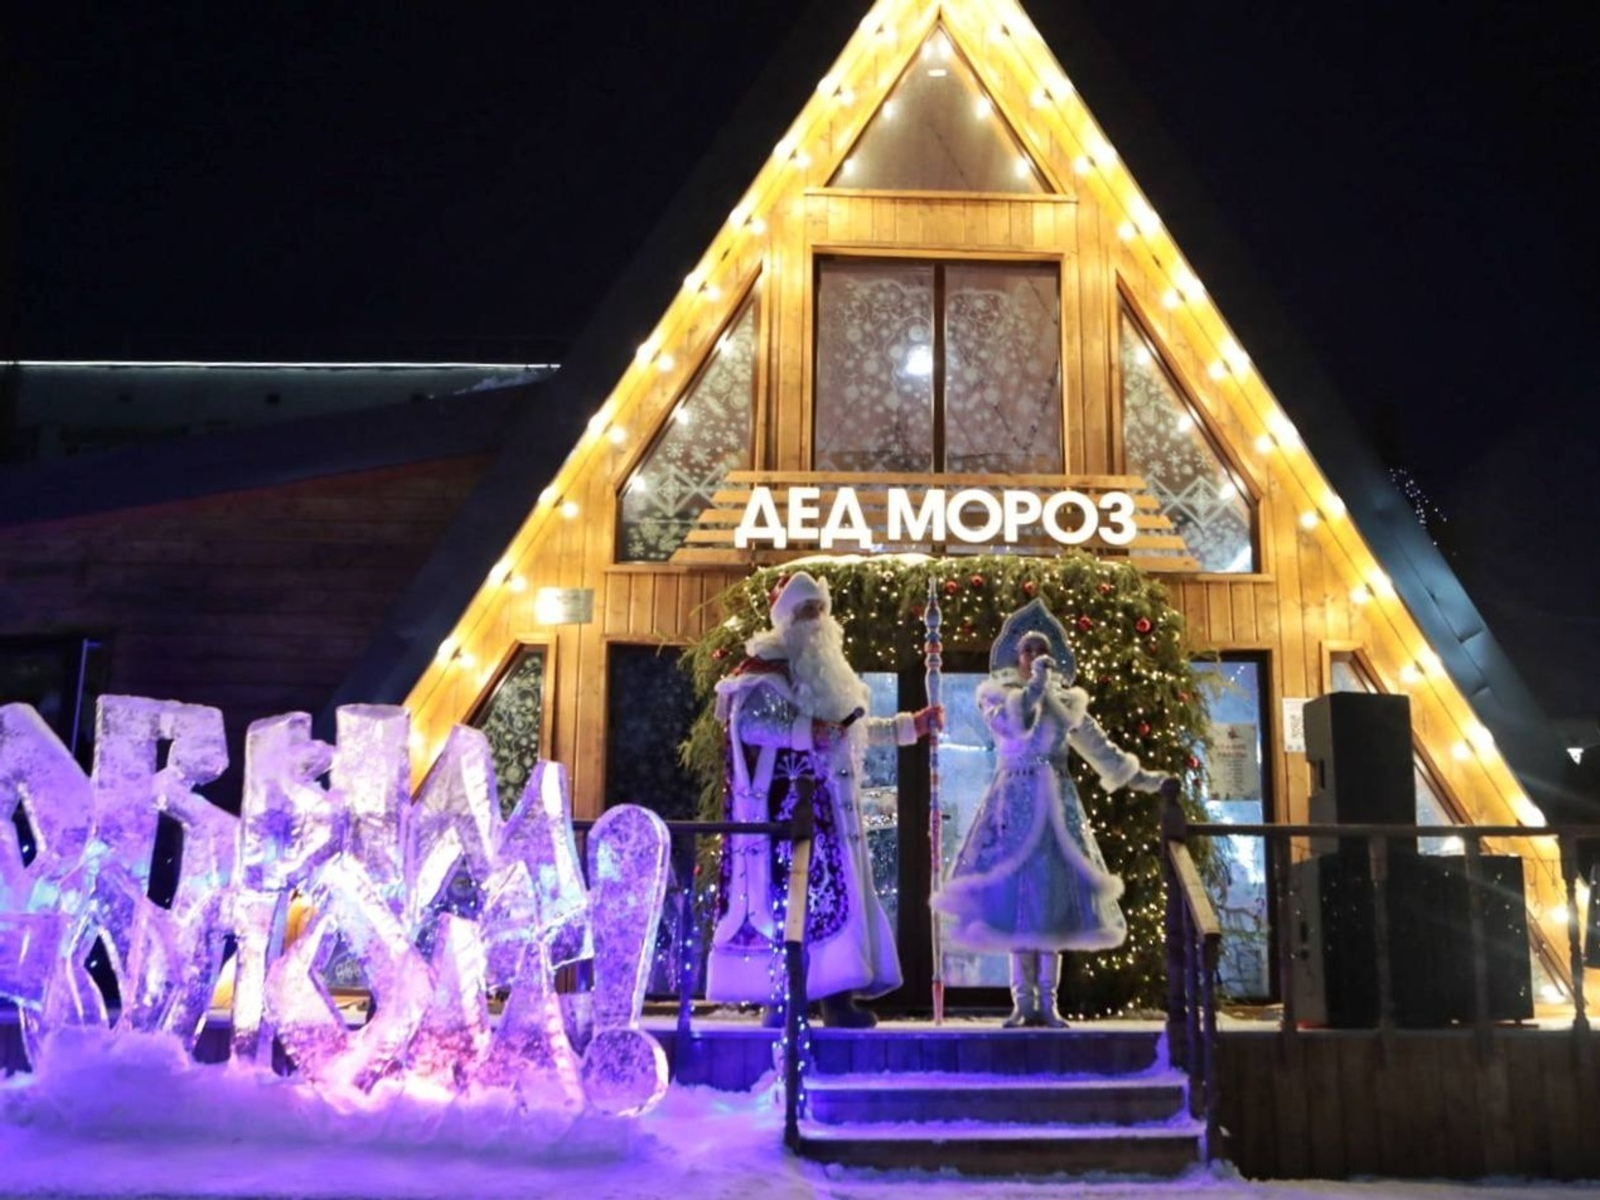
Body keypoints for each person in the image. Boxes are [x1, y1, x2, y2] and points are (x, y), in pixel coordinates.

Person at [706, 571, 941, 1028]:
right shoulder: (764, 670)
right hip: (788, 814)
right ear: (786, 619)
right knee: (786, 905)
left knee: (838, 903)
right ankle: (783, 1000)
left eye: (819, 609)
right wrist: (806, 732)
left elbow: (850, 732)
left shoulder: (830, 673)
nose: (815, 619)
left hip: (832, 815)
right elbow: (750, 726)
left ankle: (836, 1000)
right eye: (805, 611)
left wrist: (910, 726)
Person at [930, 599, 1178, 1028]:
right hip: (1011, 808)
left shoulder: (1066, 702)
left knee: (1050, 906)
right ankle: (1021, 1002)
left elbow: (1102, 751)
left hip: (1055, 812)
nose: (1033, 656)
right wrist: (1036, 687)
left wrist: (1145, 779)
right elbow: (1014, 724)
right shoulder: (996, 695)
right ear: (1016, 657)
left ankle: (1048, 1002)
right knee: (1014, 906)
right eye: (1027, 650)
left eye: (1040, 649)